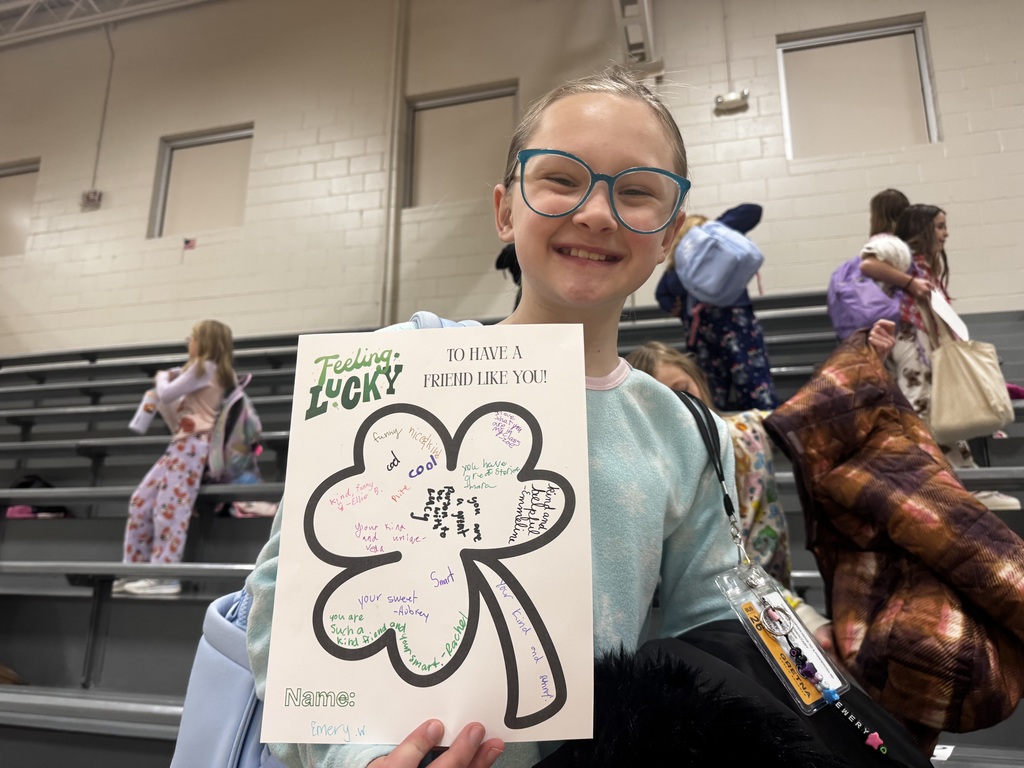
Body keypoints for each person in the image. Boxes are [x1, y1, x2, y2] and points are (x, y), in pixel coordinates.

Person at [244, 69, 932, 768]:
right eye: (561, 179)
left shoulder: (686, 429)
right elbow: (286, 596)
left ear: (668, 235)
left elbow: (709, 639)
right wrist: (351, 756)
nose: (598, 212)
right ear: (505, 210)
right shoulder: (400, 361)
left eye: (636, 191)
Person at [860, 204, 1020, 511]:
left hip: (923, 340)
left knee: (934, 406)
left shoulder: (924, 265)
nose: (946, 233)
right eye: (940, 226)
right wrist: (908, 282)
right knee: (919, 402)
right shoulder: (900, 252)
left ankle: (956, 476)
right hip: (909, 337)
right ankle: (927, 479)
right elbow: (867, 264)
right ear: (922, 229)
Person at [116, 319, 236, 596]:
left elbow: (167, 392)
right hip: (181, 444)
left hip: (192, 447)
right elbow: (174, 416)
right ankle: (135, 569)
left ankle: (164, 575)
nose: (188, 342)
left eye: (192, 337)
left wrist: (160, 377)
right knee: (141, 501)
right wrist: (163, 388)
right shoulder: (203, 374)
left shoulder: (206, 367)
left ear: (205, 341)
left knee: (170, 509)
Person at [653, 204, 777, 412]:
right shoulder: (716, 245)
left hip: (700, 329)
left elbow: (662, 294)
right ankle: (766, 428)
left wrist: (676, 308)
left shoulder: (677, 266)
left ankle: (715, 433)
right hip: (735, 320)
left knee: (710, 388)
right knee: (753, 381)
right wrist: (716, 225)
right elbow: (753, 211)